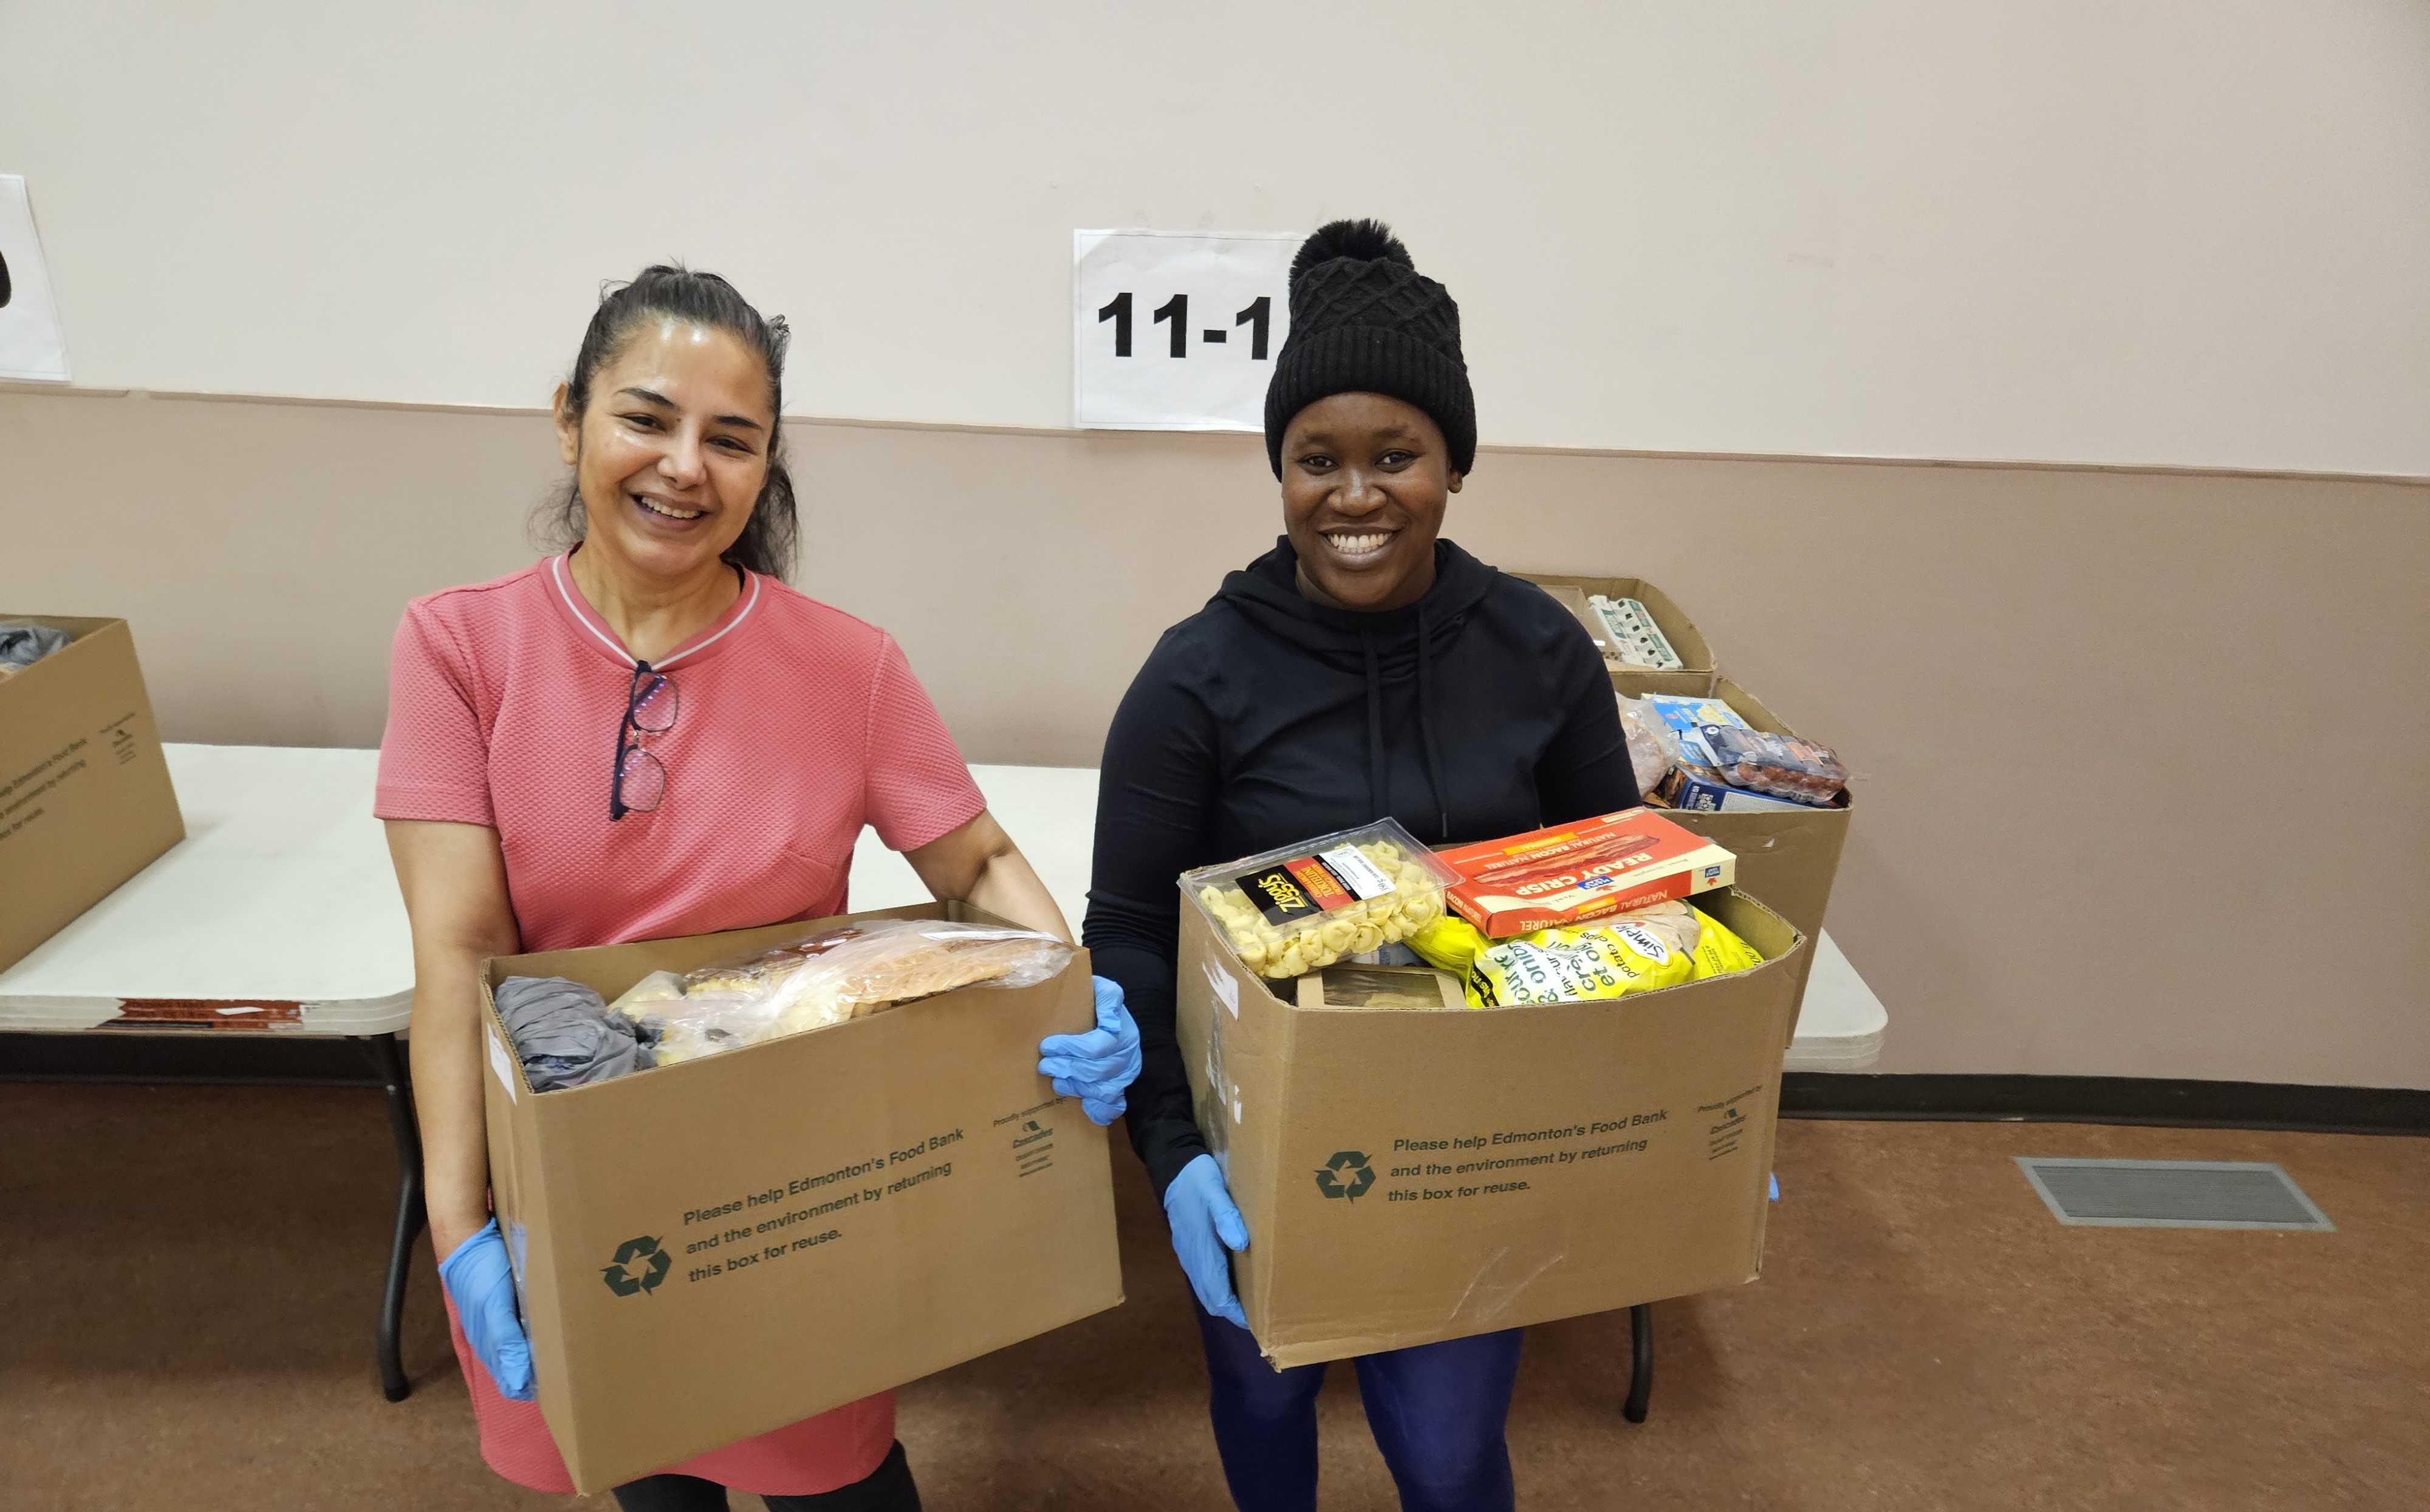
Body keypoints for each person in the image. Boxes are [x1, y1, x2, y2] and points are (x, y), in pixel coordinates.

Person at [377, 265, 1141, 1511]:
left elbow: (976, 862)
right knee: (647, 1456)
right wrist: (463, 1230)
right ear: (569, 418)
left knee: (831, 1469)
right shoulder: (460, 648)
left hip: (793, 1175)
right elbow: (458, 961)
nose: (685, 467)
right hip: (578, 1169)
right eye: (647, 418)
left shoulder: (848, 667)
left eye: (730, 440)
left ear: (765, 465)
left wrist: (1065, 991)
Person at [1084, 221, 1640, 1512]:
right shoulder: (1197, 674)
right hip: (1258, 1139)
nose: (1353, 496)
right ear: (1278, 471)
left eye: (1396, 456)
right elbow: (1131, 928)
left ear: (1455, 465)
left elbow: (1620, 888)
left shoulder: (1538, 653)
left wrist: (1680, 1087)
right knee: (1264, 1398)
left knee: (1448, 1451)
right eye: (1314, 460)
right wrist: (1172, 1151)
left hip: (1472, 1130)